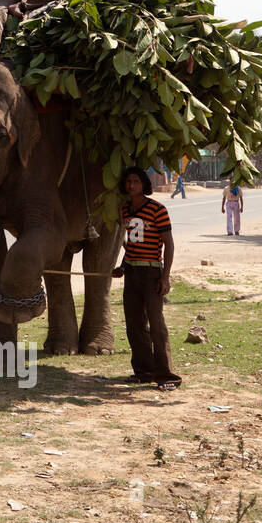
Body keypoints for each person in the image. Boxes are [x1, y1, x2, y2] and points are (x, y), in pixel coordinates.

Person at [112, 166, 181, 391]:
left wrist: (165, 277)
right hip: (132, 273)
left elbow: (169, 244)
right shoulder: (124, 210)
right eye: (128, 182)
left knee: (156, 323)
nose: (131, 185)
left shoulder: (157, 210)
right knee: (134, 325)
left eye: (136, 181)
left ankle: (166, 375)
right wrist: (122, 266)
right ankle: (143, 372)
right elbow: (130, 243)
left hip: (152, 273)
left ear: (144, 185)